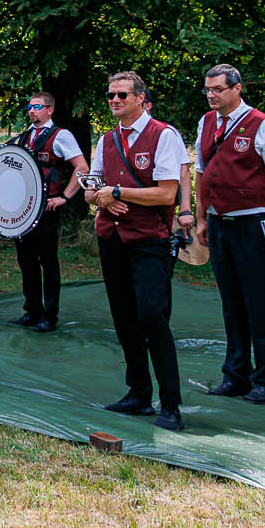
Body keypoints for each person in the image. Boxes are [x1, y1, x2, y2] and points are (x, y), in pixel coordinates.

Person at [86, 71, 187, 432]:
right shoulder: (106, 139)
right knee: (124, 317)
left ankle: (171, 404)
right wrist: (104, 198)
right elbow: (91, 189)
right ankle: (139, 393)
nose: (115, 100)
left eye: (123, 95)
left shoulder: (163, 135)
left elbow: (166, 194)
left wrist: (116, 193)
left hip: (149, 240)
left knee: (152, 317)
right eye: (111, 95)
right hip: (111, 237)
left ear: (141, 99)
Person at [188, 63, 265, 404]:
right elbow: (202, 174)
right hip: (219, 223)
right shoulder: (206, 123)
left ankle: (264, 381)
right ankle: (236, 374)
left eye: (218, 89)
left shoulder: (262, 125)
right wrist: (202, 219)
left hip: (254, 223)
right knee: (231, 304)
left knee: (259, 304)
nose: (212, 95)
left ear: (237, 89)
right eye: (208, 89)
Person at [16, 91, 89, 332]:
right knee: (26, 260)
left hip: (47, 206)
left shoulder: (61, 135)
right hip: (24, 207)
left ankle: (50, 315)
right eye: (30, 106)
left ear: (50, 110)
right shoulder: (25, 135)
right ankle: (32, 311)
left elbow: (81, 167)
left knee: (47, 260)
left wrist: (65, 197)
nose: (32, 110)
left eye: (38, 106)